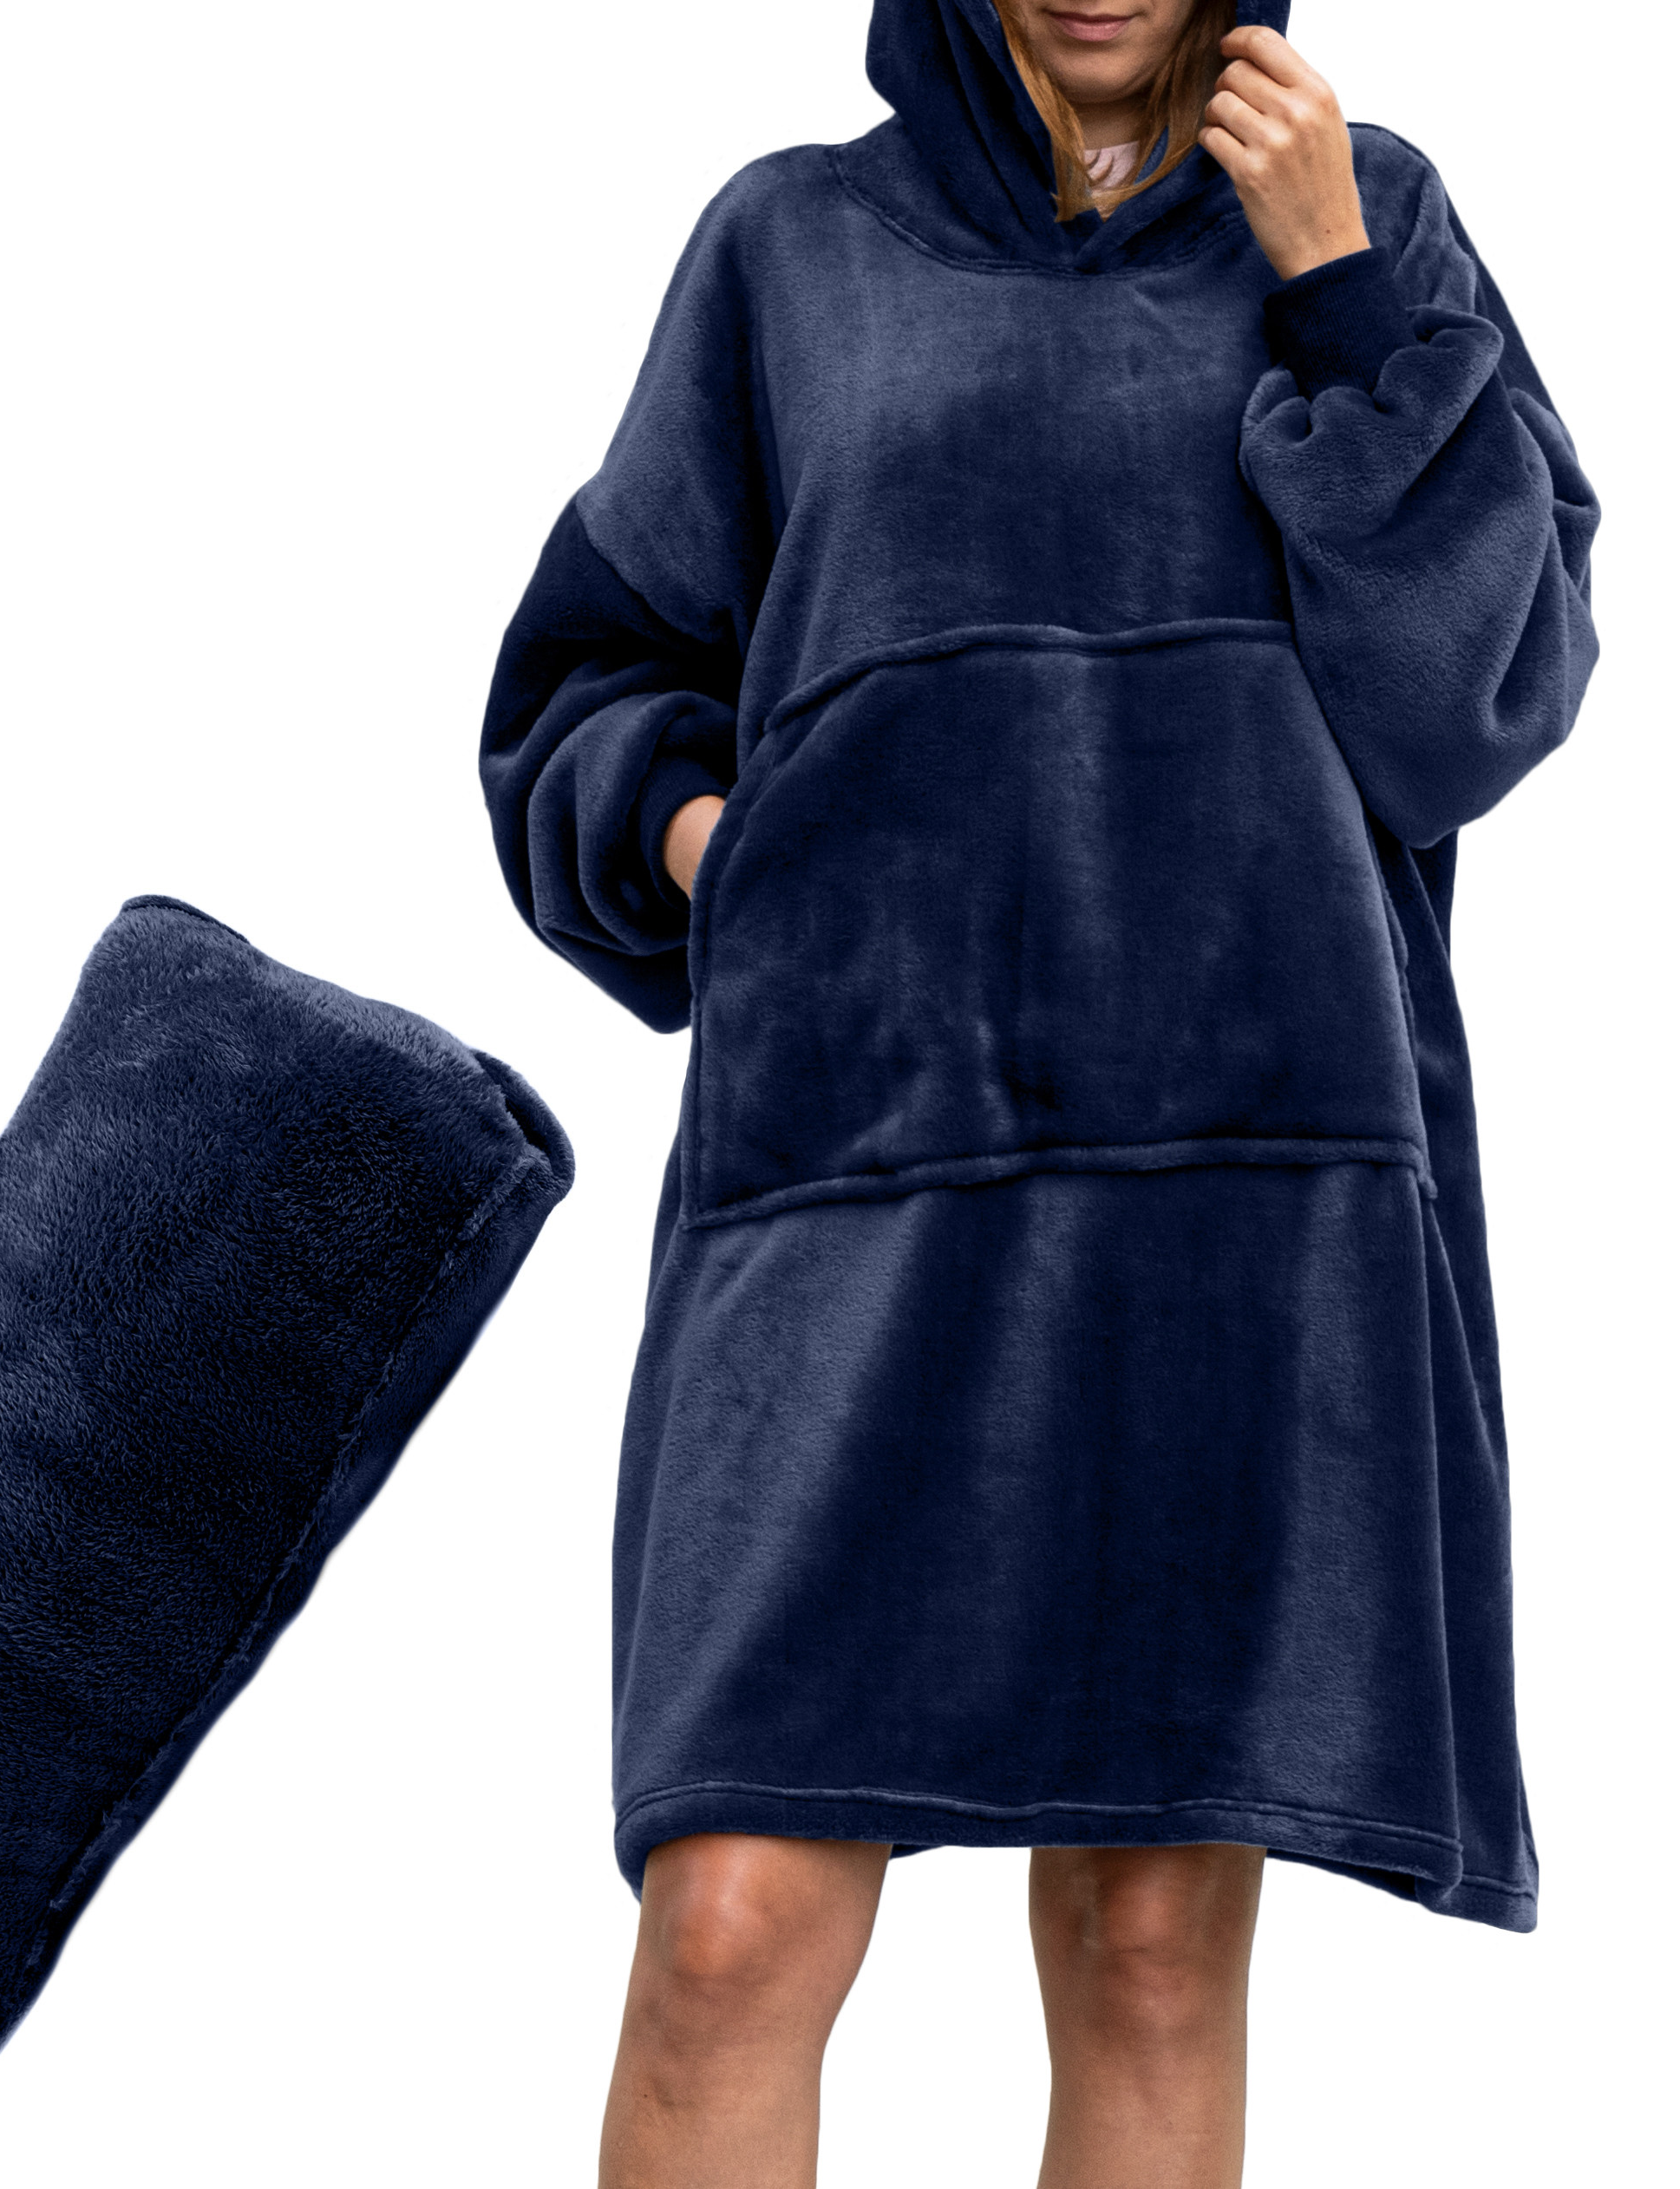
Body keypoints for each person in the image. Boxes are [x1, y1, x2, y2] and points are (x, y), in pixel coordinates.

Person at [477, 2, 1598, 2183]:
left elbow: (1474, 697)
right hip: (852, 1178)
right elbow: (591, 670)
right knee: (727, 1925)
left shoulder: (1371, 220)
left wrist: (1335, 289)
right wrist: (724, 849)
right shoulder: (787, 244)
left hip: (1236, 1207)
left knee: (1149, 1941)